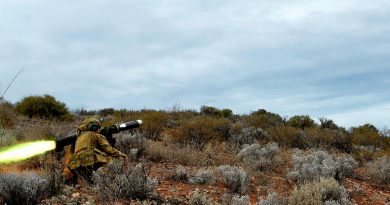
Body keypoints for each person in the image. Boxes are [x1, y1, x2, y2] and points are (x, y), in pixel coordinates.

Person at [68, 117, 128, 184]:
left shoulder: (79, 139)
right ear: (94, 127)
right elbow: (108, 149)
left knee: (91, 178)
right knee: (116, 160)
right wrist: (122, 155)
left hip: (76, 163)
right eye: (98, 127)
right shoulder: (96, 135)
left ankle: (91, 185)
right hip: (90, 160)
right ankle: (113, 182)